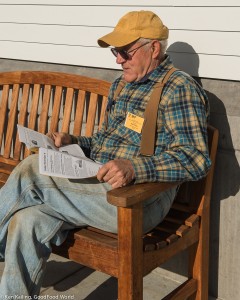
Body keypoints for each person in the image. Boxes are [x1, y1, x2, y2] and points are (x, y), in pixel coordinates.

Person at [0, 10, 211, 297]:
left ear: (154, 49)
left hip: (136, 202)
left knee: (30, 171)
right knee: (27, 220)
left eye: (125, 52)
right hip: (95, 188)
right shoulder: (122, 85)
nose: (118, 59)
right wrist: (73, 141)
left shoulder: (178, 89)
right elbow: (105, 140)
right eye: (116, 51)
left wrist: (135, 167)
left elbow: (196, 158)